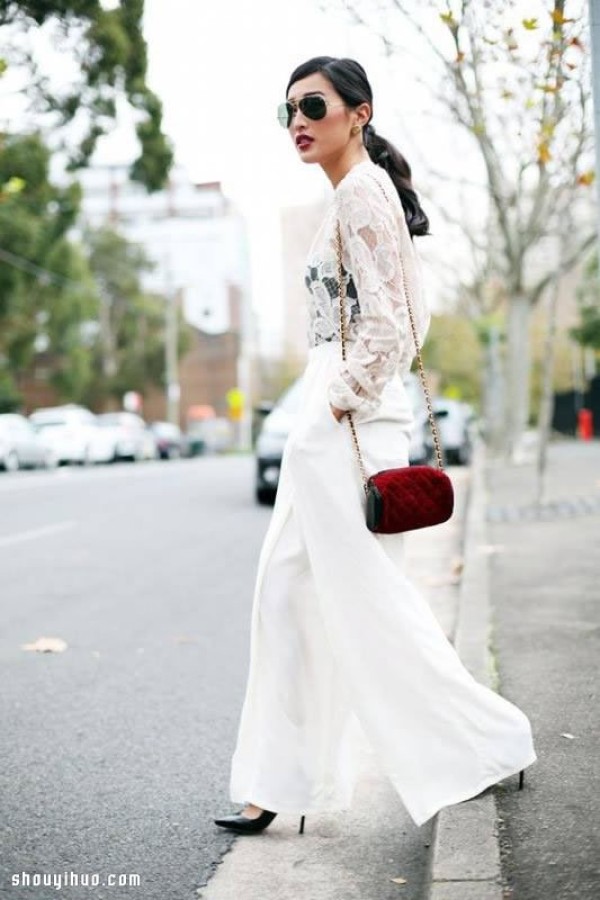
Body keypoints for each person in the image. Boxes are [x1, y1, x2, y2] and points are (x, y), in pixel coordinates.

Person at [214, 56, 536, 835]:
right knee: (287, 597)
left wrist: (333, 402)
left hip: (343, 422)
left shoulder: (361, 192)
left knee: (368, 604)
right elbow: (398, 319)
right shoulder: (351, 195)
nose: (298, 120)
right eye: (288, 108)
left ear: (358, 112)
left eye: (314, 105)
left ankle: (488, 741)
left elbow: (396, 327)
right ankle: (277, 782)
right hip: (334, 420)